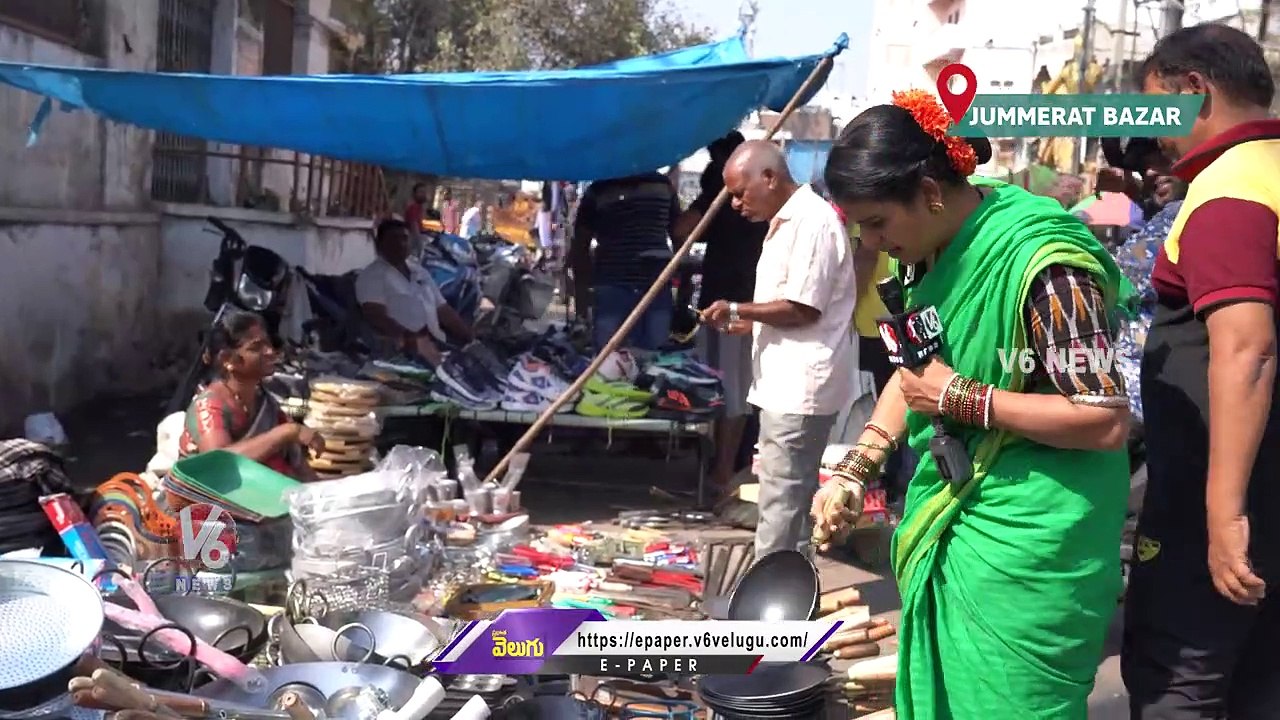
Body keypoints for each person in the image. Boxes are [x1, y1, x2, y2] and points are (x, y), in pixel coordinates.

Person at [813, 90, 1130, 718]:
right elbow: (915, 377)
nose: (869, 240)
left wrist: (962, 397)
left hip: (1036, 535)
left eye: (877, 223)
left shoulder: (1045, 267)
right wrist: (855, 469)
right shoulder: (922, 254)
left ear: (930, 190)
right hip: (958, 513)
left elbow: (1102, 419)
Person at [1122, 24, 1280, 718]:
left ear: (1194, 92)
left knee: (1179, 681)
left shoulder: (1230, 191)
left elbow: (1246, 349)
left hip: (1217, 508)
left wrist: (1223, 514)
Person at [702, 140, 856, 558]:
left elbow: (804, 307)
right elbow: (796, 304)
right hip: (786, 384)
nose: (735, 204)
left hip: (799, 388)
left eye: (739, 192)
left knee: (780, 507)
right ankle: (788, 596)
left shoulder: (812, 222)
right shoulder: (789, 222)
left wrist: (737, 307)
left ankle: (768, 609)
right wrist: (751, 322)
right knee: (786, 505)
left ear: (769, 178)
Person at [672, 131, 768, 497]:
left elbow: (683, 230)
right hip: (732, 300)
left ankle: (723, 473)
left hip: (734, 302)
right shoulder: (747, 193)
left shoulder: (722, 180)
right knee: (726, 389)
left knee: (729, 392)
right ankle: (723, 469)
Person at [178, 311, 324, 481]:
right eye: (256, 347)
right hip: (209, 501)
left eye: (268, 344)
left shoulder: (265, 401)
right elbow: (217, 465)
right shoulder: (208, 405)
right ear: (228, 359)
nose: (270, 352)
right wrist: (286, 432)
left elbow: (300, 470)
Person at [572, 171, 680, 351]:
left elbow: (580, 247)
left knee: (608, 360)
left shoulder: (599, 189)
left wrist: (582, 306)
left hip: (617, 282)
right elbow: (679, 234)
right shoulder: (662, 185)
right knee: (653, 358)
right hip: (650, 283)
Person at [356, 218, 474, 365]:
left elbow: (443, 310)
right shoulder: (372, 275)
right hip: (402, 350)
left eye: (404, 239)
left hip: (436, 343)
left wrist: (471, 339)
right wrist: (411, 338)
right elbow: (376, 315)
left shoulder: (419, 271)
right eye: (394, 239)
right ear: (379, 245)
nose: (400, 244)